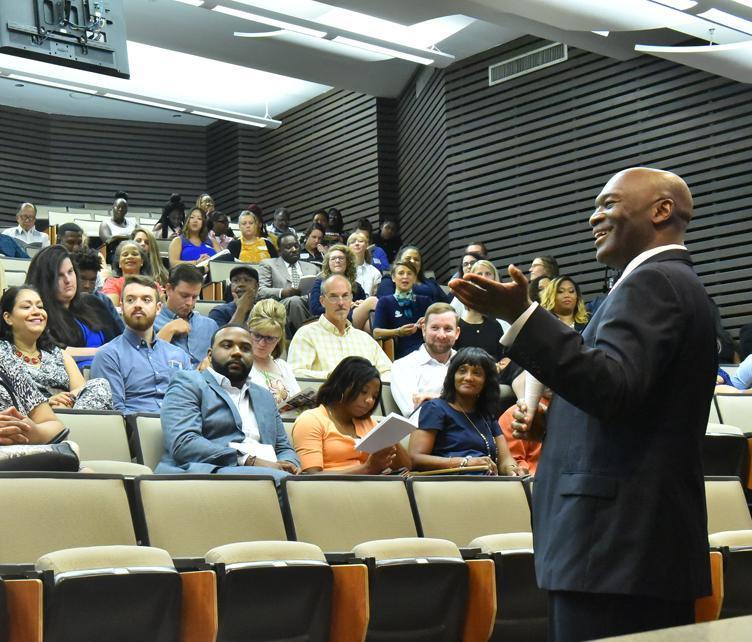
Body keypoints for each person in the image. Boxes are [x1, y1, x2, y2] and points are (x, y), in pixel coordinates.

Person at [450, 167, 717, 640]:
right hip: (631, 549)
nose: (595, 216)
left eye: (608, 203)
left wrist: (523, 316)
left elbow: (611, 386)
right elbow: (635, 403)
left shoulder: (652, 283)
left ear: (661, 210)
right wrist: (556, 426)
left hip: (614, 549)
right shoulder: (674, 284)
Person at [157, 324, 300, 483]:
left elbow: (283, 447)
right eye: (227, 346)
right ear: (210, 355)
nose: (237, 352)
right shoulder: (188, 383)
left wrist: (289, 464)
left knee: (304, 484)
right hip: (208, 472)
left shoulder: (264, 396)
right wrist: (248, 460)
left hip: (265, 475)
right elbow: (184, 443)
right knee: (282, 482)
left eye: (245, 348)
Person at [409, 347, 518, 475]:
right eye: (462, 371)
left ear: (486, 381)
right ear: (452, 376)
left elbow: (505, 460)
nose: (468, 377)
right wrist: (466, 462)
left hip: (486, 484)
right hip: (448, 485)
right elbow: (415, 459)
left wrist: (514, 470)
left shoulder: (486, 414)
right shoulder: (435, 408)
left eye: (477, 373)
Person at [0, 286, 112, 410]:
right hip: (26, 420)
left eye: (40, 307)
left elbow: (81, 390)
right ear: (8, 317)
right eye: (27, 307)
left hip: (69, 414)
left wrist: (66, 400)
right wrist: (46, 403)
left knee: (100, 385)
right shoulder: (3, 355)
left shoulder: (59, 354)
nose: (37, 311)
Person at [91, 276, 191, 414]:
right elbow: (116, 413)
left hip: (182, 429)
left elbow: (192, 402)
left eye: (146, 300)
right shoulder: (108, 355)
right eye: (130, 300)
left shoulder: (179, 355)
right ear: (122, 307)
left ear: (158, 308)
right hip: (136, 431)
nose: (138, 305)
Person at [293, 357, 411, 473]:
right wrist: (367, 468)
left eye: (374, 396)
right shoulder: (311, 420)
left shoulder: (369, 423)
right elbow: (311, 477)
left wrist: (392, 436)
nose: (370, 400)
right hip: (331, 491)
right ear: (341, 386)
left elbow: (405, 467)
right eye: (363, 392)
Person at [26, 245, 121, 369]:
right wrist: (103, 353)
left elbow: (120, 339)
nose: (68, 280)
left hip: (113, 370)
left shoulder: (93, 302)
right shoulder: (39, 314)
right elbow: (53, 353)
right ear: (46, 280)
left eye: (70, 272)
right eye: (60, 275)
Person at [288, 275, 392, 380]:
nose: (341, 303)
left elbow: (389, 372)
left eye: (345, 296)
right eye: (334, 297)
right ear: (322, 301)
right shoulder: (306, 335)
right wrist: (332, 377)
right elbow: (295, 374)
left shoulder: (365, 339)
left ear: (351, 298)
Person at [390, 302, 460, 417]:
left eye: (448, 329)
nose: (441, 335)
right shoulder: (403, 366)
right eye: (435, 328)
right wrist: (460, 402)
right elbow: (414, 412)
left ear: (457, 333)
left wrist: (432, 399)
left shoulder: (466, 364)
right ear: (423, 330)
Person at [155, 264, 218, 367]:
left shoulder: (210, 325)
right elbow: (144, 365)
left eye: (194, 297)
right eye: (184, 296)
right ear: (169, 289)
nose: (189, 302)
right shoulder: (150, 322)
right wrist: (169, 330)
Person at [257, 232, 318, 335]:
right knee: (295, 301)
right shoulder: (268, 264)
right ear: (280, 251)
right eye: (288, 247)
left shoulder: (313, 267)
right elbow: (261, 291)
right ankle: (307, 337)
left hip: (308, 303)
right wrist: (283, 292)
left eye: (296, 246)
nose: (294, 250)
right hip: (281, 305)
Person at [309, 245, 377, 331]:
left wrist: (360, 303)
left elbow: (362, 306)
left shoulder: (356, 286)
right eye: (333, 259)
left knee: (368, 323)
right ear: (328, 263)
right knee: (373, 301)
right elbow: (314, 309)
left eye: (341, 258)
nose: (337, 261)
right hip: (332, 320)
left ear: (347, 262)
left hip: (352, 319)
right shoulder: (320, 283)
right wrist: (346, 305)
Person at [373, 261, 431, 360]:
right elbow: (376, 333)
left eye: (409, 273)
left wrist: (429, 322)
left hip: (427, 351)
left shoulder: (425, 301)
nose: (405, 276)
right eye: (401, 273)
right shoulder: (385, 302)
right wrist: (398, 332)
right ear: (393, 278)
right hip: (401, 355)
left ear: (414, 278)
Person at [247, 300, 301, 406]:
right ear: (248, 329)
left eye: (269, 338)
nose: (262, 343)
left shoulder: (283, 366)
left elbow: (298, 401)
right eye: (257, 335)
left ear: (279, 338)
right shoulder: (240, 365)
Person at [69, 248, 125, 333]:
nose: (87, 285)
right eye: (82, 279)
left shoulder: (104, 301)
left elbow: (120, 332)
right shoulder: (65, 301)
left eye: (92, 280)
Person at [376, 245, 447, 303]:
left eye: (416, 259)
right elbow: (387, 305)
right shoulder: (389, 280)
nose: (412, 261)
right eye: (408, 258)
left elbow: (448, 304)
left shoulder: (431, 283)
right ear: (399, 262)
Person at [101, 240, 151, 307]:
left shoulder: (152, 284)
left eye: (134, 254)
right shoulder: (111, 283)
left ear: (142, 261)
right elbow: (112, 311)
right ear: (119, 263)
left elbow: (162, 313)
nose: (130, 257)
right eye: (125, 255)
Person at [347, 231, 382, 295]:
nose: (357, 244)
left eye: (360, 241)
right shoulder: (343, 269)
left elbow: (376, 298)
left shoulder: (375, 272)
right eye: (352, 242)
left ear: (366, 245)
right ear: (348, 247)